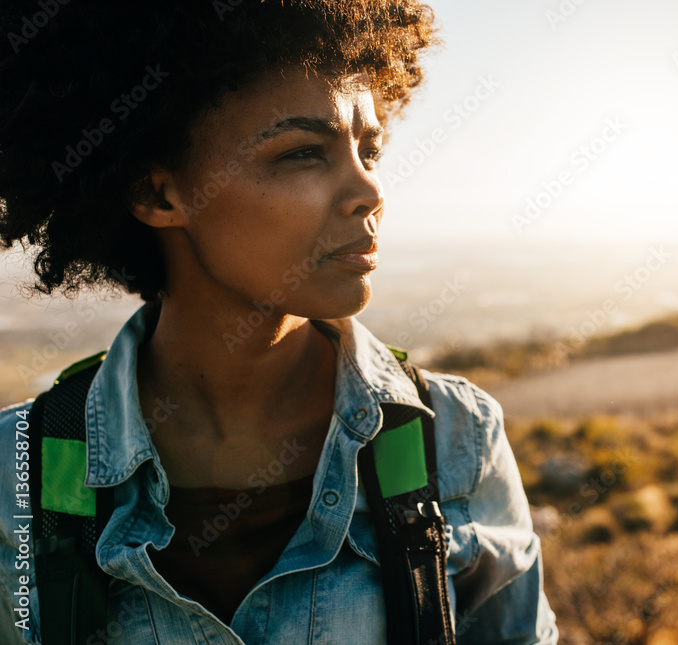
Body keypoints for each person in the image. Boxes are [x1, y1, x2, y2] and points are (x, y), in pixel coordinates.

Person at [0, 1, 558, 643]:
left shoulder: (454, 440)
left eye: (367, 149)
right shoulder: (21, 471)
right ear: (158, 194)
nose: (370, 191)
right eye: (302, 154)